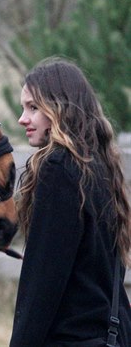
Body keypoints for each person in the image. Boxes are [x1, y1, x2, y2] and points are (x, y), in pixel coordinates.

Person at [10, 57, 131, 346]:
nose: (22, 119)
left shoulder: (59, 167)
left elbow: (43, 284)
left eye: (33, 107)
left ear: (60, 108)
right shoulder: (100, 167)